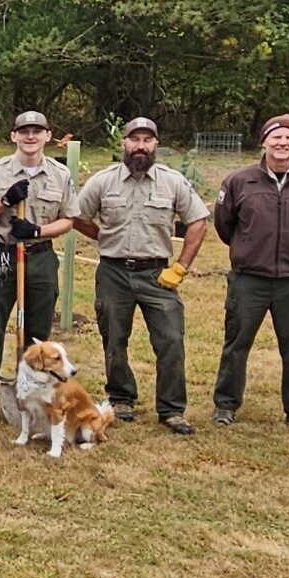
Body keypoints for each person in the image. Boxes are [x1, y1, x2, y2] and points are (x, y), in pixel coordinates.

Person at [69, 117, 209, 433]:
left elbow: (199, 221)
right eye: (135, 140)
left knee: (171, 339)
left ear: (156, 144)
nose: (140, 146)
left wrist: (181, 267)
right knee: (114, 338)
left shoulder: (172, 182)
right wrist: (103, 236)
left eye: (147, 140)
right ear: (124, 144)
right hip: (114, 272)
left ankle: (172, 410)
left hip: (158, 273)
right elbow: (77, 215)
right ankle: (121, 398)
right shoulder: (103, 181)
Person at [210, 114, 289, 433]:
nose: (282, 143)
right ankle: (225, 406)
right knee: (236, 343)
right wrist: (249, 248)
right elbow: (225, 225)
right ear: (264, 142)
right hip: (249, 278)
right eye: (276, 137)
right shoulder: (239, 182)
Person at [0, 112, 75, 381]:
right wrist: (5, 201)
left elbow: (68, 220)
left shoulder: (60, 174)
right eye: (24, 131)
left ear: (47, 136)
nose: (31, 136)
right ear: (13, 136)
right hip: (2, 254)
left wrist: (38, 230)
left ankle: (32, 391)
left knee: (38, 332)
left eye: (37, 131)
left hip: (40, 257)